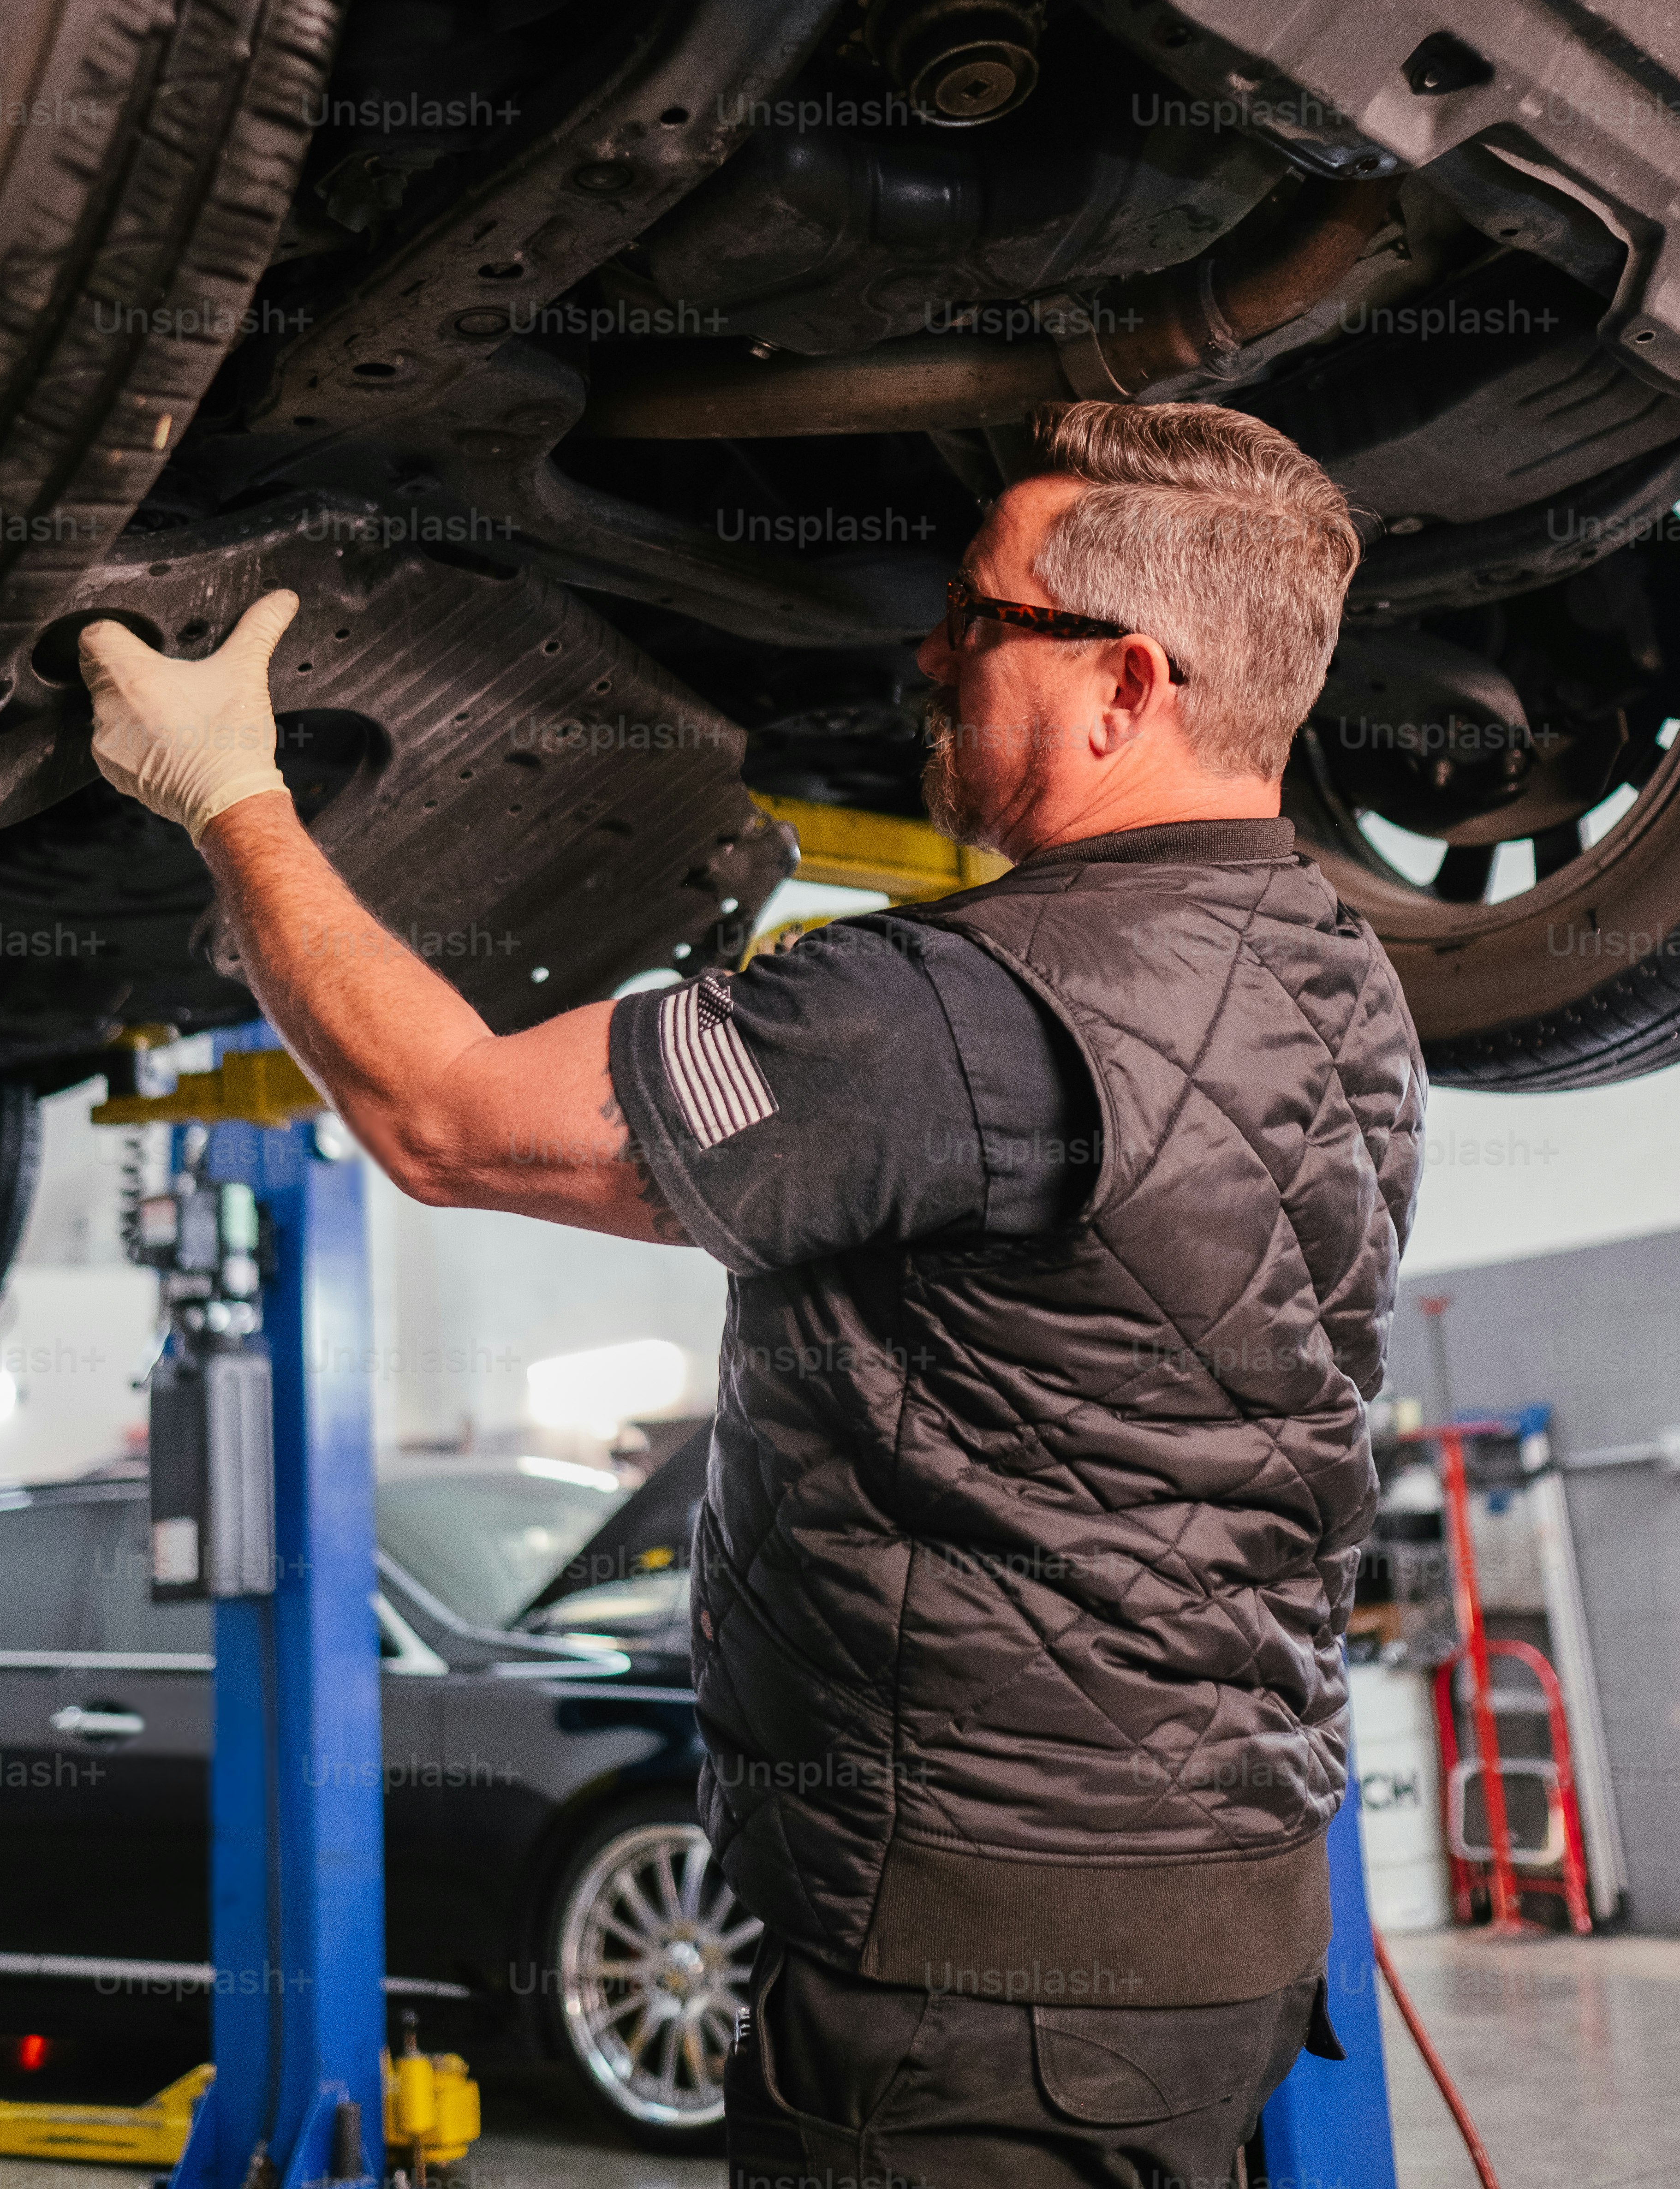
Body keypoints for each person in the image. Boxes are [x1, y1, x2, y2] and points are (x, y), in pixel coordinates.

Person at [78, 398, 1425, 2187]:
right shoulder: (1340, 982)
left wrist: (232, 796)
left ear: (1125, 684)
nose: (931, 653)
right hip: (1214, 1944)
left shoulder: (961, 1009)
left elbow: (451, 1123)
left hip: (976, 1994)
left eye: (984, 616)